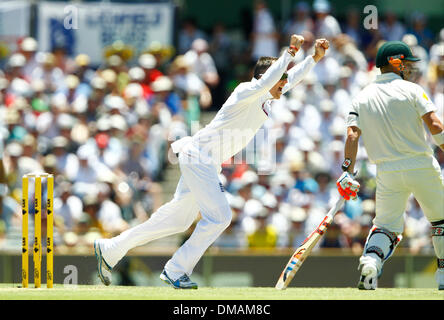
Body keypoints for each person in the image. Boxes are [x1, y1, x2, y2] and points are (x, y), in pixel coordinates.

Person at [94, 34, 330, 289]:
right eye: (280, 77)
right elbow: (277, 78)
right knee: (220, 217)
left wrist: (314, 59)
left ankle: (111, 249)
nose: (284, 83)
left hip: (203, 162)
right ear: (265, 77)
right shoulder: (246, 91)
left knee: (178, 221)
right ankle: (175, 269)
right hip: (199, 158)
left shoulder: (266, 97)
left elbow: (289, 80)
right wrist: (291, 51)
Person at [337, 41, 444, 290]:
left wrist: (346, 171)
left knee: (386, 226)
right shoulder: (413, 90)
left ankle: (371, 262)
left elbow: (352, 135)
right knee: (441, 221)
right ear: (396, 63)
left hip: (386, 171)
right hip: (420, 164)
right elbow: (436, 127)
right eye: (406, 63)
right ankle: (443, 275)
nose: (410, 69)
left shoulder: (361, 96)